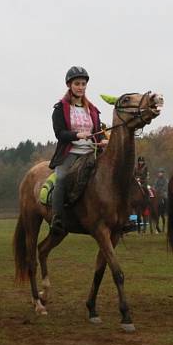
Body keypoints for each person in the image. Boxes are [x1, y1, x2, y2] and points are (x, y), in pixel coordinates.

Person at [48, 66, 107, 235]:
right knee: (61, 177)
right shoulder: (60, 108)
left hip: (92, 152)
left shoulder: (93, 110)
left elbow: (98, 130)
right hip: (70, 152)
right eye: (77, 84)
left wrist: (102, 140)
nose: (81, 87)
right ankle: (57, 218)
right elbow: (59, 133)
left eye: (83, 84)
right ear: (69, 85)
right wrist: (77, 134)